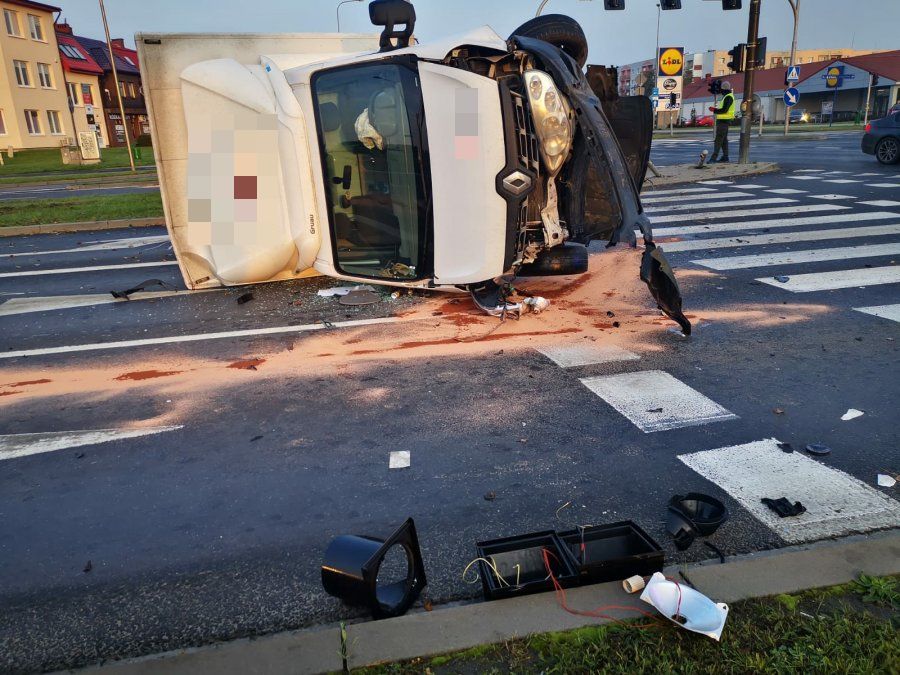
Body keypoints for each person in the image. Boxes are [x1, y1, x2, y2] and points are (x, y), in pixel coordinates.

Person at [708, 81, 735, 163]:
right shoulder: (728, 96)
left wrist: (715, 110)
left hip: (724, 121)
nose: (721, 92)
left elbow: (724, 110)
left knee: (718, 140)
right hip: (724, 121)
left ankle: (713, 158)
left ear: (723, 89)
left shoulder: (728, 97)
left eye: (721, 90)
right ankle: (725, 157)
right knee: (723, 140)